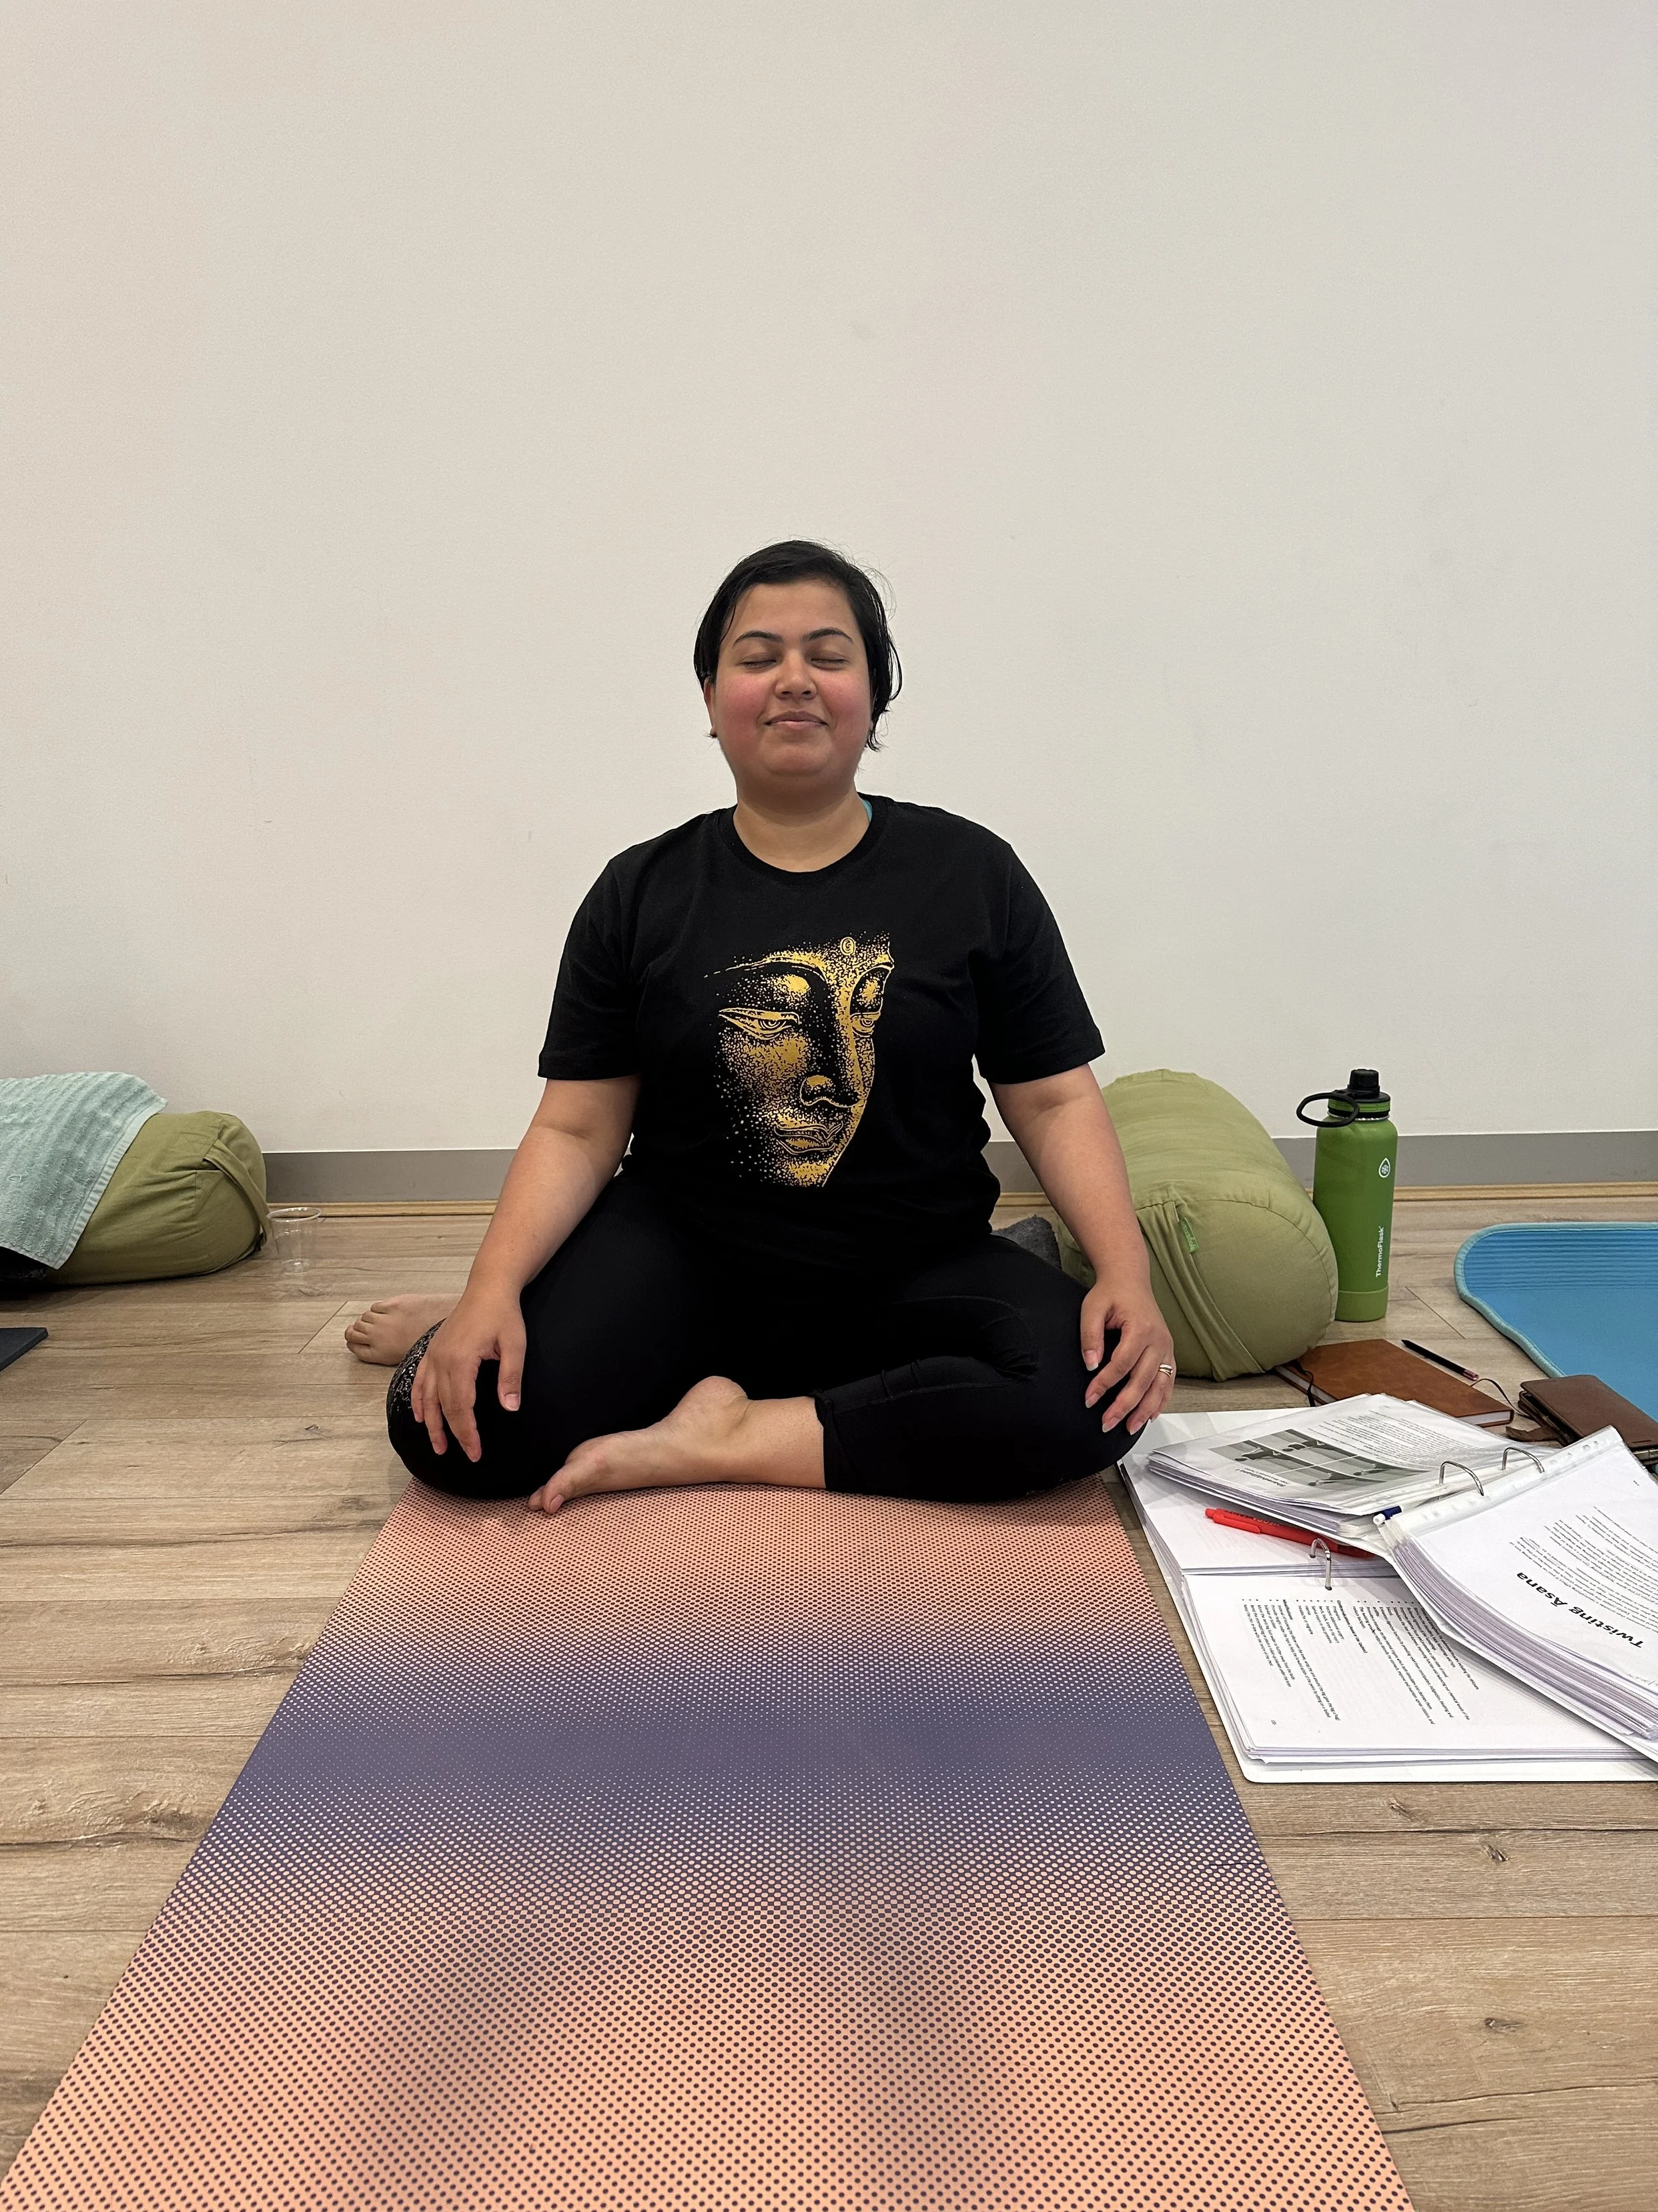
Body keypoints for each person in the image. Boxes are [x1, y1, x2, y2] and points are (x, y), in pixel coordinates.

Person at [358, 540, 1176, 1516]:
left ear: (874, 695)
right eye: (758, 658)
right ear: (711, 699)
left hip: (912, 1267)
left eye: (829, 655)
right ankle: (512, 1312)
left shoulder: (971, 872)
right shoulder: (640, 891)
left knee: (1096, 1405)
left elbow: (1050, 1097)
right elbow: (577, 1128)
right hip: (683, 1258)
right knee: (447, 1431)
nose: (794, 680)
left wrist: (1126, 1271)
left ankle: (736, 1432)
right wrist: (491, 1291)